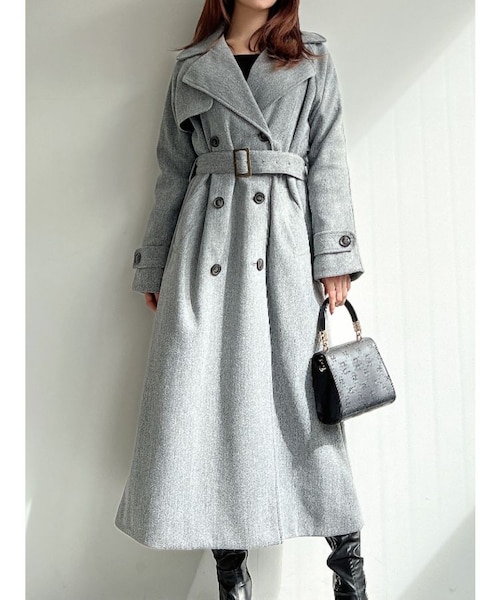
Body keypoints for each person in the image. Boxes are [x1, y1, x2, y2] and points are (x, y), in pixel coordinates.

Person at [114, 1, 369, 598]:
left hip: (282, 247)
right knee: (201, 401)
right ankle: (231, 575)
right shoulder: (193, 67)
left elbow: (328, 156)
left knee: (305, 406)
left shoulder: (311, 57)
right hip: (205, 246)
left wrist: (334, 255)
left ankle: (349, 572)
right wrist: (155, 262)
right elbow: (172, 171)